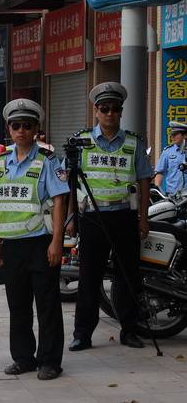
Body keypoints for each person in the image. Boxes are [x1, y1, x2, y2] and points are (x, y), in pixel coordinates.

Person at [68, 82, 154, 352]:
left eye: (115, 109)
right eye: (104, 108)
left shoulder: (133, 142)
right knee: (89, 278)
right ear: (95, 111)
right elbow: (70, 182)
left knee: (128, 276)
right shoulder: (81, 142)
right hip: (92, 218)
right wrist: (71, 218)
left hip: (124, 216)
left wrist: (143, 218)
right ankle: (82, 334)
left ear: (121, 112)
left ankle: (129, 330)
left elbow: (144, 180)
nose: (109, 113)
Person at [0, 99, 68, 381]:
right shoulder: (1, 163)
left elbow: (59, 201)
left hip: (40, 243)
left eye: (27, 125)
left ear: (36, 129)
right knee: (18, 304)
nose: (21, 130)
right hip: (11, 244)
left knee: (47, 304)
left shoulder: (48, 161)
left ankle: (50, 361)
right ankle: (23, 358)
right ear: (9, 129)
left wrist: (57, 241)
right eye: (16, 125)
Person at [154, 121, 187, 195]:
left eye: (175, 134)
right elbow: (160, 173)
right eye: (172, 135)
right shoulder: (167, 152)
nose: (172, 137)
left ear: (185, 135)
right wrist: (159, 193)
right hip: (172, 195)